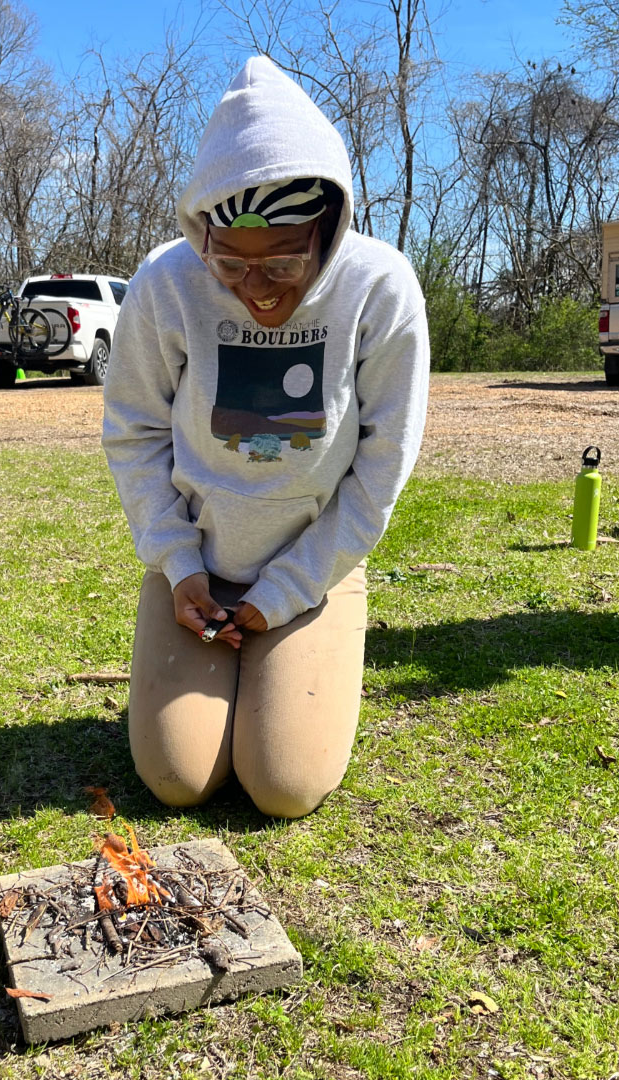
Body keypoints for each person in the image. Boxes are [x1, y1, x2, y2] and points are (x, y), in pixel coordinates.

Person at [102, 56, 430, 819]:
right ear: (201, 238)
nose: (254, 287)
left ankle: (297, 664)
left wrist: (288, 590)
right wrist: (179, 565)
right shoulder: (167, 282)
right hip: (197, 577)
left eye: (282, 261)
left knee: (282, 786)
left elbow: (382, 465)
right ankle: (216, 667)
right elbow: (135, 433)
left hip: (313, 572)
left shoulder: (380, 288)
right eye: (229, 265)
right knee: (177, 780)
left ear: (328, 229)